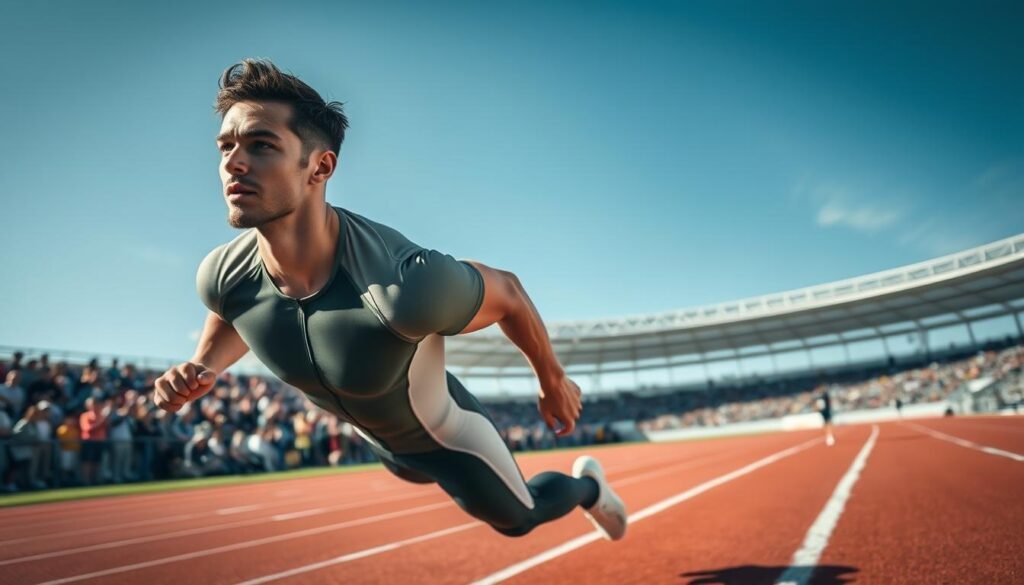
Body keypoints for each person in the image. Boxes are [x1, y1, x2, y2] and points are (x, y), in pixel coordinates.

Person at [152, 59, 626, 540]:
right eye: (226, 146)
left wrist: (552, 379)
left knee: (517, 518)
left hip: (445, 436)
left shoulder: (403, 288)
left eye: (261, 145)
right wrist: (204, 365)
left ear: (320, 166)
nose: (234, 162)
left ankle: (589, 488)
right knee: (410, 472)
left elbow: (508, 291)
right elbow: (231, 309)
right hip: (378, 439)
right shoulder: (222, 274)